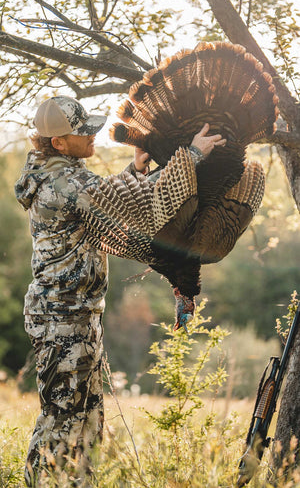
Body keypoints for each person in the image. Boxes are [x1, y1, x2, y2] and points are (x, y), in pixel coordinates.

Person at [15, 95, 225, 487]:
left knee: (88, 416)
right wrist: (192, 155)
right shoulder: (64, 182)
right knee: (63, 418)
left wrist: (134, 169)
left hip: (74, 313)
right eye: (84, 131)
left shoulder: (55, 174)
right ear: (58, 143)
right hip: (64, 319)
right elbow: (136, 207)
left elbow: (106, 197)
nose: (94, 134)